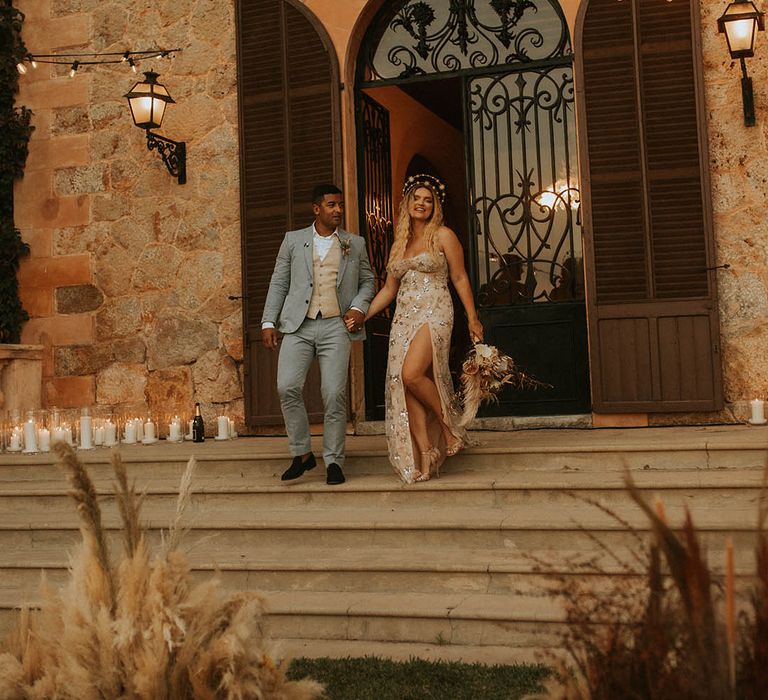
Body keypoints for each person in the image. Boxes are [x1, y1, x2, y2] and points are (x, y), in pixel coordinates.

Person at [358, 174, 483, 483]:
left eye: (428, 200)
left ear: (434, 206)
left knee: (412, 373)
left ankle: (449, 429)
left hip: (435, 311)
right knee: (405, 384)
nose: (422, 204)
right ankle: (426, 454)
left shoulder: (442, 235)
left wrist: (473, 317)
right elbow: (388, 290)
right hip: (403, 317)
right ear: (407, 203)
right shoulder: (399, 243)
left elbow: (460, 277)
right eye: (417, 199)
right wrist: (363, 315)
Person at [262, 184, 375, 485]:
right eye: (331, 205)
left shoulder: (355, 243)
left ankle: (334, 461)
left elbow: (368, 281)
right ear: (316, 209)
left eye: (340, 204)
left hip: (336, 326)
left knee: (334, 394)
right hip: (298, 325)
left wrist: (359, 307)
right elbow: (278, 283)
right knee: (287, 387)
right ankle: (302, 454)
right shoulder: (293, 241)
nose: (338, 210)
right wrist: (268, 322)